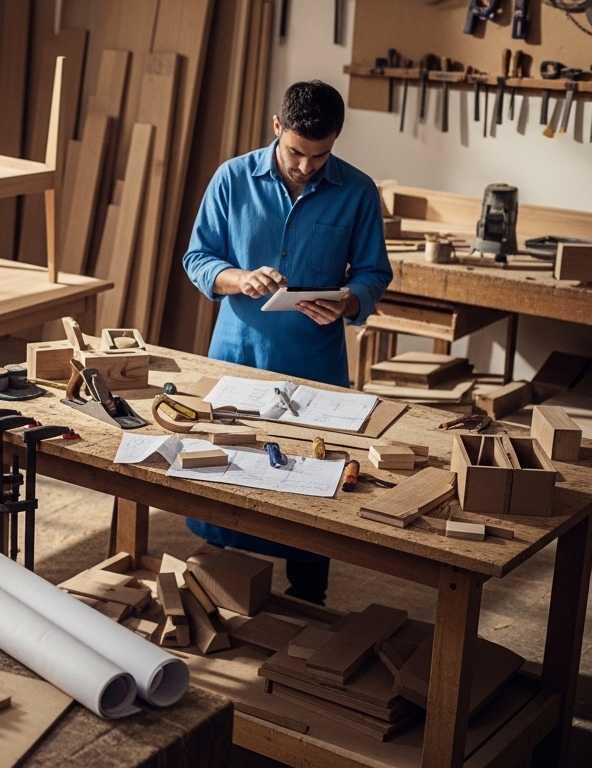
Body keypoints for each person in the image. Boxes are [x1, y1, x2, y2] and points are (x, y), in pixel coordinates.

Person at [179, 80, 393, 605]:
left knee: (311, 482)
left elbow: (373, 272)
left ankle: (306, 600)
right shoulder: (231, 179)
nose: (305, 166)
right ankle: (220, 591)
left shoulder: (358, 191)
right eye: (297, 151)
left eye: (320, 155)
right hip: (239, 357)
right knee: (228, 473)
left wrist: (346, 303)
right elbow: (198, 258)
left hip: (315, 364)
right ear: (277, 128)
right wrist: (238, 278)